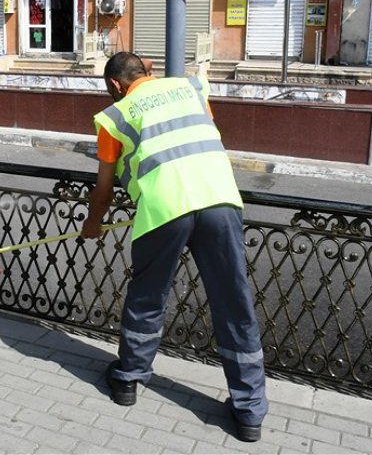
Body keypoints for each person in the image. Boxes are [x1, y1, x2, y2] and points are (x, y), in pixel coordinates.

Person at [81, 52, 267, 443]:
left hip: (165, 209)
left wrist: (93, 223)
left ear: (115, 85)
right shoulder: (192, 88)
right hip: (219, 200)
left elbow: (103, 188)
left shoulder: (114, 116)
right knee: (233, 302)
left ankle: (128, 380)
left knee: (148, 296)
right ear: (147, 70)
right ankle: (249, 411)